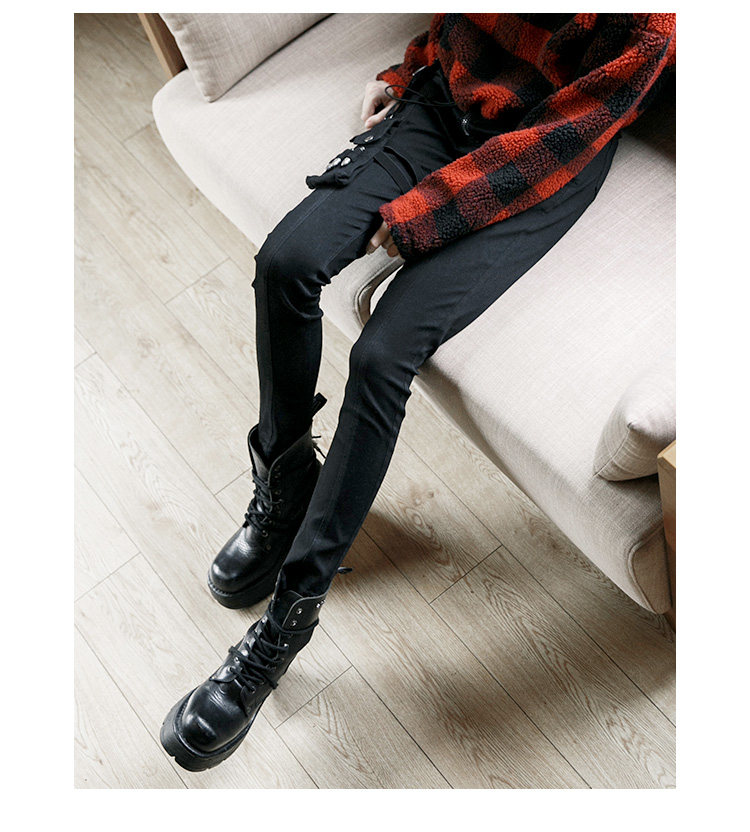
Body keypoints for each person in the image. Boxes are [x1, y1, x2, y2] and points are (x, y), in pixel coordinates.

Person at [160, 12, 676, 771]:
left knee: (383, 355)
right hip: (446, 103)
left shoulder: (651, 25)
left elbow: (563, 138)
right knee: (286, 263)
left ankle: (280, 634)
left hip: (541, 162)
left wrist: (426, 214)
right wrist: (410, 73)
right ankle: (285, 486)